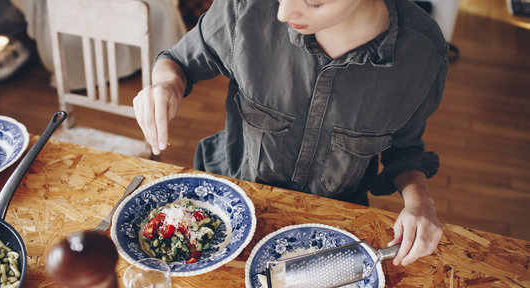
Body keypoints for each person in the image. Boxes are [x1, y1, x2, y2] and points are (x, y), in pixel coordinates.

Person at [133, 0, 447, 266]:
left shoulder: (421, 53)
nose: (283, 13)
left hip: (329, 232)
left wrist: (420, 202)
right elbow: (177, 61)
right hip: (228, 212)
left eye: (313, 1)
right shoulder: (247, 8)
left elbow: (404, 150)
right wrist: (166, 86)